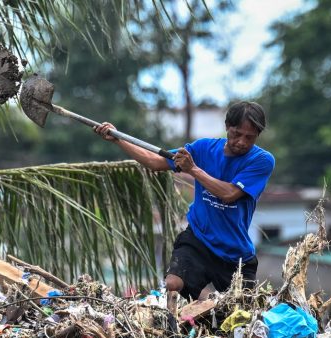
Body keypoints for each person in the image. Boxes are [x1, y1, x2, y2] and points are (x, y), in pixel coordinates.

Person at [94, 101, 274, 301]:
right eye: (236, 134)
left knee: (242, 312)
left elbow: (230, 193)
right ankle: (173, 327)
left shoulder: (262, 160)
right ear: (227, 127)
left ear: (258, 135)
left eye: (249, 137)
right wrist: (118, 139)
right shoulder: (202, 148)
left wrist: (193, 169)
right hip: (199, 239)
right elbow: (155, 161)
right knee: (173, 286)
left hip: (235, 253)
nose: (241, 142)